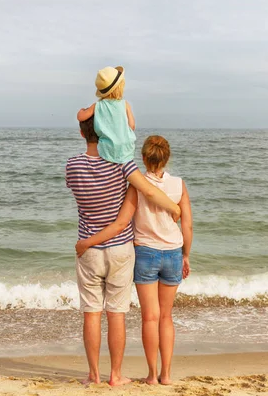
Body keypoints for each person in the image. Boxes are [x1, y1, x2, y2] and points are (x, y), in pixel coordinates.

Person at [65, 118, 179, 386]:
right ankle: (115, 375)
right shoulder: (123, 164)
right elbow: (149, 191)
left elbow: (77, 192)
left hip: (88, 247)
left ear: (82, 133)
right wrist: (175, 209)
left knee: (91, 312)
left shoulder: (72, 165)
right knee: (117, 312)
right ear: (106, 132)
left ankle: (93, 374)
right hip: (120, 249)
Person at [76, 66, 180, 221]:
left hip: (107, 151)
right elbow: (131, 125)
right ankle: (172, 208)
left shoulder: (97, 106)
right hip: (125, 151)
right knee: (142, 185)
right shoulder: (125, 105)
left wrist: (81, 111)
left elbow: (81, 117)